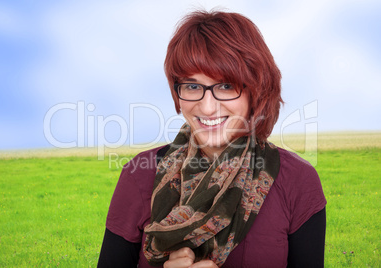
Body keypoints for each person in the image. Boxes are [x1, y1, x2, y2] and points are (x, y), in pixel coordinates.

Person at [98, 10, 326, 268]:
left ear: (257, 88)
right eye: (192, 86)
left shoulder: (297, 181)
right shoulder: (138, 176)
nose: (207, 108)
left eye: (226, 86)